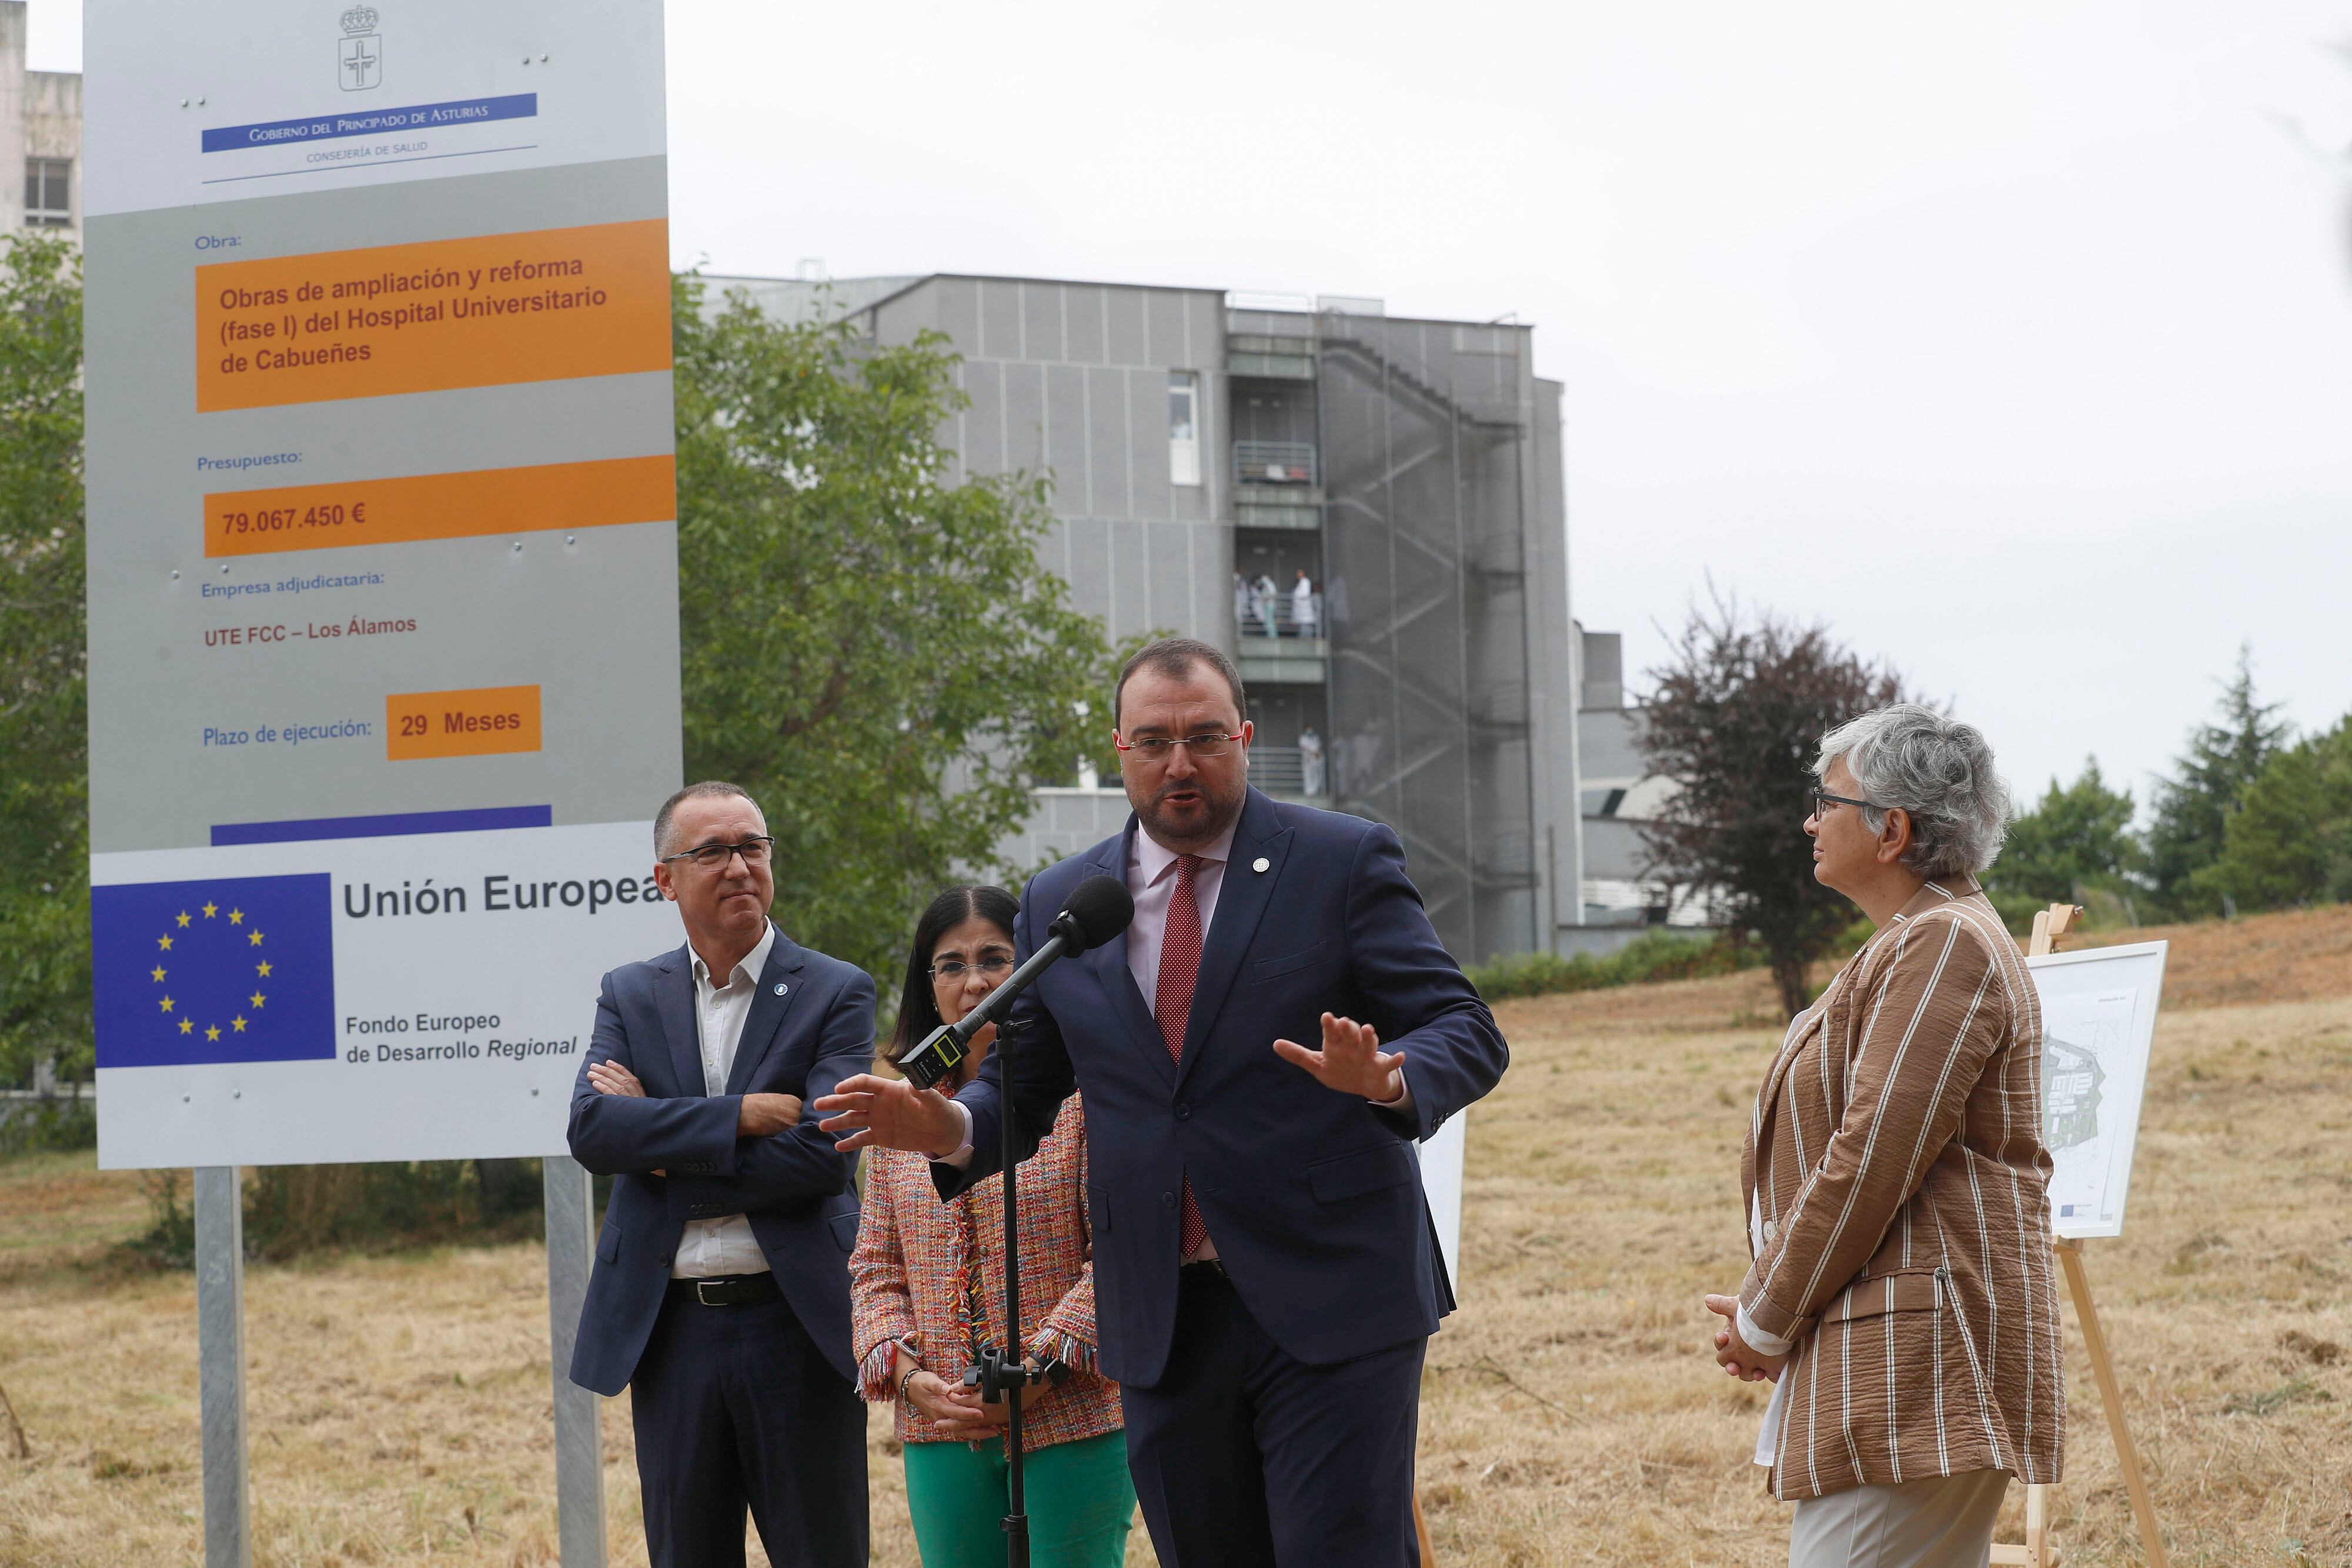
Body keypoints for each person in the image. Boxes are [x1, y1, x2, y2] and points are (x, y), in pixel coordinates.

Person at [818, 636, 1509, 1568]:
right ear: (1119, 748)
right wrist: (951, 1123)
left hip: (1332, 1292)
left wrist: (1388, 1076)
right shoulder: (1068, 900)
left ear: (1245, 737)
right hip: (1160, 1313)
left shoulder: (1337, 858)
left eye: (1203, 736)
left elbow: (1466, 1026)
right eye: (1153, 740)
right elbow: (1026, 1079)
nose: (1179, 762)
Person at [1703, 705, 2064, 1568]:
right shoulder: (1924, 939)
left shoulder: (1945, 943)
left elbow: (1870, 1159)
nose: (1810, 819)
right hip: (1907, 1347)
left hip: (1918, 1358)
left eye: (1826, 800)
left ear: (1892, 829)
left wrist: (1766, 1312)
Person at [566, 781, 876, 1568]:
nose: (740, 865)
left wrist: (662, 1142)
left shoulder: (835, 989)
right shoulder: (631, 993)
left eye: (753, 846)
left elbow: (820, 1152)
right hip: (672, 1334)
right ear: (665, 877)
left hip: (796, 1324)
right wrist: (739, 1115)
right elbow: (596, 1128)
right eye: (713, 850)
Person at [851, 885, 1135, 1568]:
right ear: (929, 986)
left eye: (995, 958)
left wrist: (1042, 1368)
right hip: (942, 1421)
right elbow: (874, 1266)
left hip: (1070, 1416)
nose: (973, 980)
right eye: (950, 964)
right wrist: (909, 1374)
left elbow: (1123, 1253)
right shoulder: (905, 1114)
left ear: (1034, 969)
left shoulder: (1084, 1099)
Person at [1297, 724, 1325, 797]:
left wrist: (1317, 753)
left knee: (1316, 775)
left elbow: (1319, 746)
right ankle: (1308, 792)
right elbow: (1304, 747)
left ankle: (1315, 791)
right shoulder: (1303, 738)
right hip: (1307, 759)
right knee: (1308, 776)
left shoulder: (1316, 738)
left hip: (1316, 759)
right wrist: (1313, 753)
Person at [1289, 570, 1317, 638]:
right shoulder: (1300, 583)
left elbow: (1305, 594)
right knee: (1302, 631)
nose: (1297, 575)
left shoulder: (1305, 582)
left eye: (1299, 573)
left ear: (1303, 574)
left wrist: (1297, 596)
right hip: (1300, 613)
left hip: (1305, 612)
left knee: (1306, 631)